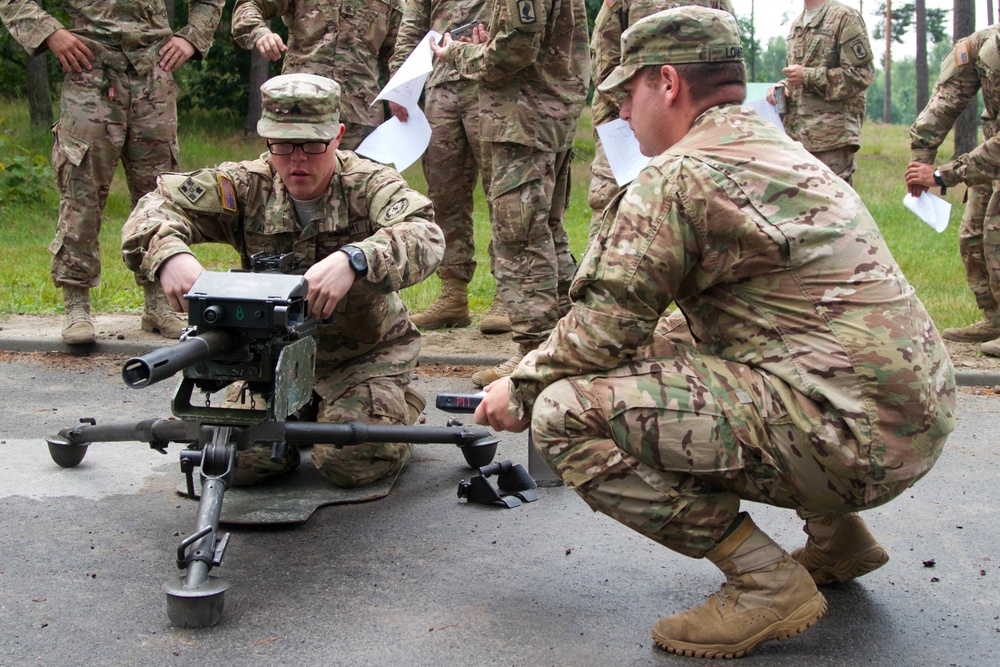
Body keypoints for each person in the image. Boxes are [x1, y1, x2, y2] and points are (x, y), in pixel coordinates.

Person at [475, 7, 955, 658]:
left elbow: (601, 330)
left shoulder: (680, 174)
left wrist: (523, 388)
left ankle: (764, 581)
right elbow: (661, 330)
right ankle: (838, 539)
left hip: (856, 442)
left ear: (668, 83)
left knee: (564, 412)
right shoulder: (776, 147)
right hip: (912, 415)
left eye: (627, 91)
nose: (621, 111)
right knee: (673, 341)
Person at [121, 74, 444, 489]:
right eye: (283, 145)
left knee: (351, 460)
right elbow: (155, 205)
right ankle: (308, 412)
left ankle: (398, 402)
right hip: (269, 360)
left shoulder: (368, 184)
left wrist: (355, 259)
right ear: (267, 139)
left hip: (360, 356)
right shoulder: (244, 185)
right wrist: (170, 255)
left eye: (313, 145)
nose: (297, 160)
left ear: (337, 136)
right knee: (238, 462)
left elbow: (424, 233)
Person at [0, 0, 224, 345]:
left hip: (153, 74)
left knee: (160, 195)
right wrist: (49, 32)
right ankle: (76, 304)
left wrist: (192, 36)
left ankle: (158, 302)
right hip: (90, 71)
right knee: (81, 193)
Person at [430, 0, 589, 387]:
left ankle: (534, 354)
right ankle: (570, 342)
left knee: (521, 237)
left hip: (523, 118)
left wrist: (458, 53)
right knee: (547, 230)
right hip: (545, 113)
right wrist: (487, 45)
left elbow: (515, 50)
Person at [387, 0, 511, 335]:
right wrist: (399, 82)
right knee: (444, 193)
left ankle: (509, 294)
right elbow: (412, 27)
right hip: (441, 87)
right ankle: (452, 295)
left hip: (492, 82)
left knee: (505, 191)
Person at [587, 0, 735, 244]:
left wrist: (683, 107)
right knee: (614, 211)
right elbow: (604, 58)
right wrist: (644, 105)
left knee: (698, 204)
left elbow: (726, 52)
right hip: (626, 128)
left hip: (691, 124)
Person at [906, 26, 1000, 354]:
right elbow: (944, 102)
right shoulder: (981, 46)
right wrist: (920, 160)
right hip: (991, 153)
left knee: (997, 235)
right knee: (973, 235)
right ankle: (995, 318)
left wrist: (943, 175)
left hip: (994, 153)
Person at [231, 0, 403, 151]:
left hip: (360, 118)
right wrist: (260, 34)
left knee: (360, 178)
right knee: (296, 177)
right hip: (301, 110)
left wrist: (400, 93)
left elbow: (398, 51)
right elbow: (248, 5)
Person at [766, 0, 874, 185]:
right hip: (796, 141)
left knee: (834, 201)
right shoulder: (797, 25)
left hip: (831, 141)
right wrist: (784, 85)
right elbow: (797, 74)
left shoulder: (844, 17)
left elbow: (861, 74)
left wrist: (807, 76)